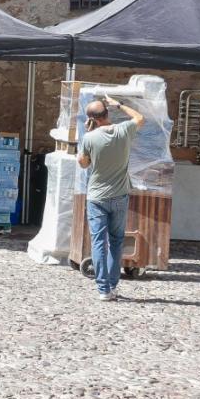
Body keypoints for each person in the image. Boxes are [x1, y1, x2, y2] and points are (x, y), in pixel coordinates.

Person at [78, 94, 146, 301]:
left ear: (91, 119)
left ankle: (103, 289)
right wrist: (119, 104)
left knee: (99, 242)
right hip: (119, 195)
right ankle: (114, 285)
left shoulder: (89, 137)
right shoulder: (124, 130)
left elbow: (83, 163)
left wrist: (89, 135)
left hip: (97, 196)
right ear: (107, 114)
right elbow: (140, 117)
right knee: (117, 241)